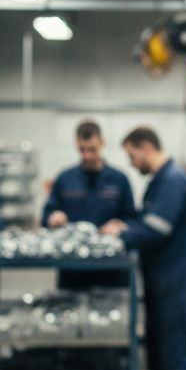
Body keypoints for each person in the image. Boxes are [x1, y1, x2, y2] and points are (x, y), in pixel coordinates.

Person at [100, 127, 186, 370]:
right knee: (160, 352)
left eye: (132, 155)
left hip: (176, 278)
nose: (131, 164)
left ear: (146, 147)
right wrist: (128, 227)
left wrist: (121, 236)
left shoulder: (172, 180)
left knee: (175, 352)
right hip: (162, 278)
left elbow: (156, 230)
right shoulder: (160, 181)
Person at [42, 119, 136, 288]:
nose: (87, 155)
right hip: (72, 267)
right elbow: (46, 214)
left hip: (110, 267)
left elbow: (132, 218)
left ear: (102, 143)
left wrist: (121, 225)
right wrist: (52, 217)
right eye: (82, 150)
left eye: (92, 149)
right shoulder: (65, 178)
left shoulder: (119, 180)